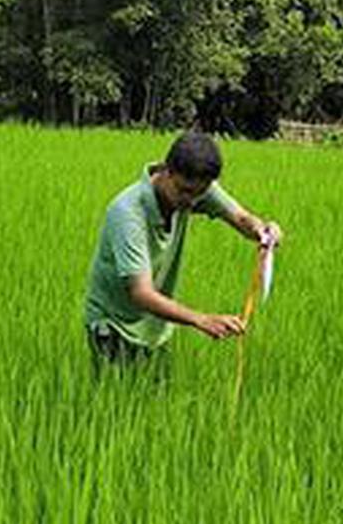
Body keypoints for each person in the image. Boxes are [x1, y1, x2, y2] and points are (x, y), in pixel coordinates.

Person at [83, 131, 283, 373]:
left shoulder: (195, 187)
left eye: (199, 193)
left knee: (155, 401)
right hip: (114, 325)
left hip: (154, 325)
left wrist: (263, 231)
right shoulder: (127, 213)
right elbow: (140, 292)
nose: (191, 201)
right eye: (184, 191)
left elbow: (240, 218)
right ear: (167, 171)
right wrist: (201, 320)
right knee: (113, 403)